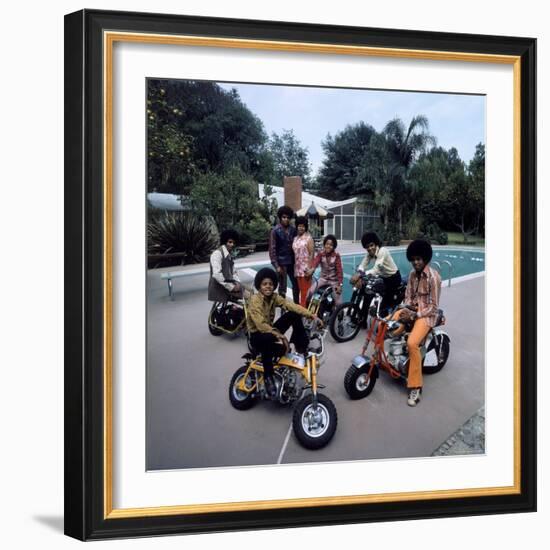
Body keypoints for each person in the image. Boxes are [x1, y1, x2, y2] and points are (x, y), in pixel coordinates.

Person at [247, 267, 320, 398]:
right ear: (259, 286)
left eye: (270, 284)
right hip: (257, 336)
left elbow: (291, 305)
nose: (268, 287)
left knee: (293, 314)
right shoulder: (254, 300)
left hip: (269, 331)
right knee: (269, 341)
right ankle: (268, 377)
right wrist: (281, 336)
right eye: (264, 284)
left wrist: (311, 315)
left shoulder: (274, 297)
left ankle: (302, 348)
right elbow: (260, 324)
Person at [392, 239, 442, 407]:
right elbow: (408, 297)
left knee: (412, 343)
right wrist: (405, 309)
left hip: (426, 315)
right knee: (388, 324)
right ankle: (390, 358)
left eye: (419, 259)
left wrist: (414, 315)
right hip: (412, 310)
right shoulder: (412, 275)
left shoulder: (434, 278)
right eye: (413, 259)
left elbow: (434, 307)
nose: (416, 262)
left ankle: (416, 386)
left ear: (425, 258)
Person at [351, 231, 402, 313]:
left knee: (385, 305)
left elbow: (375, 269)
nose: (370, 248)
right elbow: (362, 265)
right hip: (383, 277)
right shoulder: (369, 254)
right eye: (367, 247)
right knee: (367, 292)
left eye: (371, 245)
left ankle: (384, 313)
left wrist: (360, 275)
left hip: (393, 278)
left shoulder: (383, 251)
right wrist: (359, 272)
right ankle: (363, 319)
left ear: (376, 244)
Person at [269, 205, 299, 303]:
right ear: (280, 217)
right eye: (284, 217)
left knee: (296, 285)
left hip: (292, 263)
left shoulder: (293, 230)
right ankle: (282, 310)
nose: (286, 219)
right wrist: (276, 265)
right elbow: (272, 249)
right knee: (282, 288)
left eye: (288, 218)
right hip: (281, 264)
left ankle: (296, 307)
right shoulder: (275, 231)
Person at [306, 234, 343, 305]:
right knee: (310, 293)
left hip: (334, 281)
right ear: (324, 244)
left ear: (334, 247)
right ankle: (309, 311)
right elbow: (315, 262)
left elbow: (339, 271)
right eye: (327, 244)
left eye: (331, 245)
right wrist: (312, 269)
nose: (328, 246)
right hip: (323, 279)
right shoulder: (321, 254)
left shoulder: (336, 256)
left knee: (339, 304)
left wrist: (340, 285)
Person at [207, 229, 242, 303]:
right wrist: (232, 287)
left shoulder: (228, 255)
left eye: (234, 242)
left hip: (227, 287)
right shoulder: (217, 254)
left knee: (250, 291)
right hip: (219, 289)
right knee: (248, 296)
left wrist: (238, 282)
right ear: (224, 241)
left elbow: (233, 272)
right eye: (230, 242)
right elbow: (217, 274)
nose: (232, 244)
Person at [292, 216, 314, 307]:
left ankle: (304, 313)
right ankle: (303, 311)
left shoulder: (309, 238)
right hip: (297, 269)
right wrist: (294, 269)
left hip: (305, 270)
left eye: (303, 226)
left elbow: (311, 254)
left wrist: (309, 269)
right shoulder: (295, 238)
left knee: (305, 293)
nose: (301, 228)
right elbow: (295, 255)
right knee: (301, 291)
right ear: (296, 226)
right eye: (299, 226)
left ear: (305, 227)